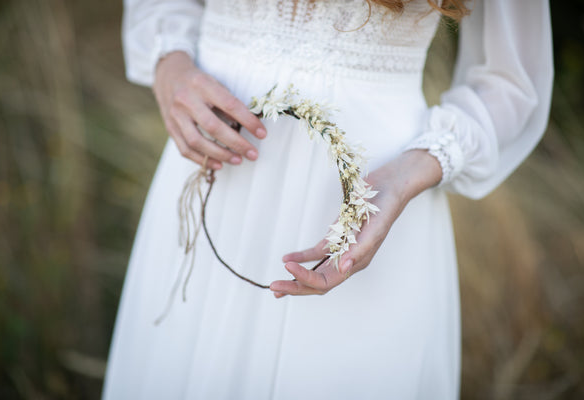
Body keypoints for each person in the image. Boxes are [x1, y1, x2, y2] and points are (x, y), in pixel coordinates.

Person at [103, 0, 553, 399]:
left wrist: (413, 169)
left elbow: (513, 85)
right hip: (208, 164)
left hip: (370, 203)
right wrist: (171, 66)